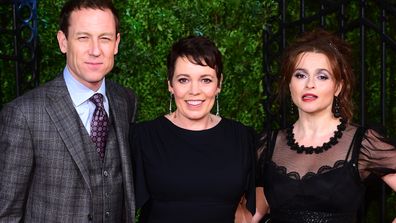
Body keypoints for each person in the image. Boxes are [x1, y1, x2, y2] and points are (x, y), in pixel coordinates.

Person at [0, 0, 137, 222]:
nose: (95, 50)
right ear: (63, 42)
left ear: (116, 43)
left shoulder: (125, 101)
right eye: (83, 37)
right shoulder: (23, 114)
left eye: (105, 38)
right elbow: (6, 214)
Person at [252, 29, 396, 223]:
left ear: (338, 87)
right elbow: (252, 216)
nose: (310, 84)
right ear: (289, 84)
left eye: (322, 77)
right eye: (300, 75)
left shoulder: (363, 143)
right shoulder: (267, 145)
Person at [131, 36, 255, 223]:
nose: (194, 90)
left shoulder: (243, 138)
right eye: (183, 80)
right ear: (170, 85)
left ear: (219, 84)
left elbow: (252, 208)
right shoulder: (142, 137)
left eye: (205, 80)